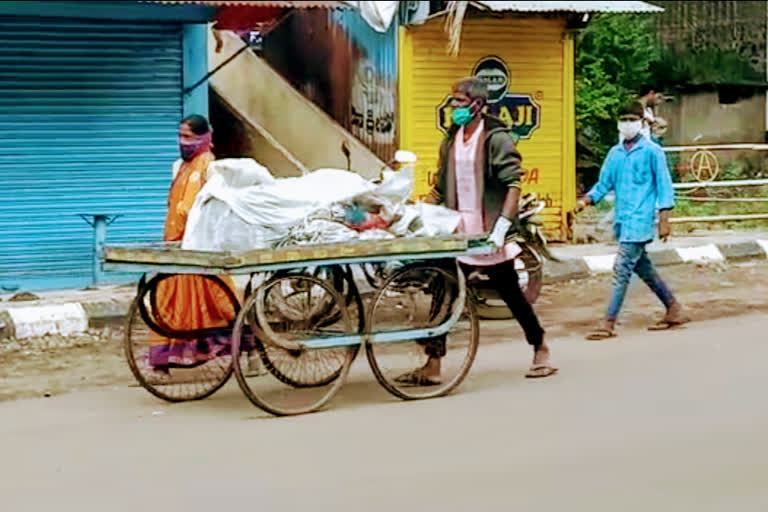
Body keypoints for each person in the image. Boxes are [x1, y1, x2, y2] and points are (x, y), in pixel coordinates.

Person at [395, 77, 557, 385]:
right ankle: (433, 364)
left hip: (488, 230)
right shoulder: (451, 139)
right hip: (458, 230)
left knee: (511, 292)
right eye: (453, 101)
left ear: (478, 105)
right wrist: (417, 214)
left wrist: (501, 227)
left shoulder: (496, 138)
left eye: (459, 101)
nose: (454, 107)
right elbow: (441, 188)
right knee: (444, 291)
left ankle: (540, 346)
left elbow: (513, 184)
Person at [578, 101, 688, 340]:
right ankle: (673, 308)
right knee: (643, 269)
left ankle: (608, 322)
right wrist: (585, 201)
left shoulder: (652, 152)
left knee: (622, 268)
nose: (627, 124)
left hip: (640, 221)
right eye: (624, 120)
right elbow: (604, 184)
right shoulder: (615, 154)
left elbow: (664, 185)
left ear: (641, 122)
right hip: (622, 221)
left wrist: (664, 218)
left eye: (632, 119)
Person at [149, 115, 240, 371]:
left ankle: (240, 346)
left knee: (219, 303)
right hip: (175, 245)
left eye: (188, 137)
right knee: (166, 302)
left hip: (200, 247)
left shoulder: (211, 168)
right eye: (180, 136)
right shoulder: (178, 166)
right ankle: (162, 361)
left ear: (204, 138)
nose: (182, 142)